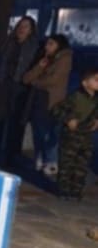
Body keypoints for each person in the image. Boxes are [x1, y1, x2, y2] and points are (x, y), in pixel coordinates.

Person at [0, 16, 40, 167]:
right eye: (20, 25)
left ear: (31, 30)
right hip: (2, 83)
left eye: (26, 26)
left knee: (16, 121)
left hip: (20, 86)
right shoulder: (8, 43)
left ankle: (12, 155)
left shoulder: (34, 47)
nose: (22, 29)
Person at [22, 34, 72, 175]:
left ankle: (51, 160)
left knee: (49, 132)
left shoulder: (64, 59)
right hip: (38, 100)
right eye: (47, 44)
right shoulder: (45, 59)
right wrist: (39, 66)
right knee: (38, 130)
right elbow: (26, 78)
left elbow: (54, 79)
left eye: (51, 44)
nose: (47, 47)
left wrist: (36, 82)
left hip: (52, 100)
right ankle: (39, 157)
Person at [51, 65, 98, 201]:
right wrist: (68, 119)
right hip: (71, 136)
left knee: (81, 166)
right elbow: (57, 110)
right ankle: (64, 191)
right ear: (85, 83)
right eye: (95, 80)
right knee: (67, 164)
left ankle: (76, 191)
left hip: (86, 137)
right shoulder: (75, 97)